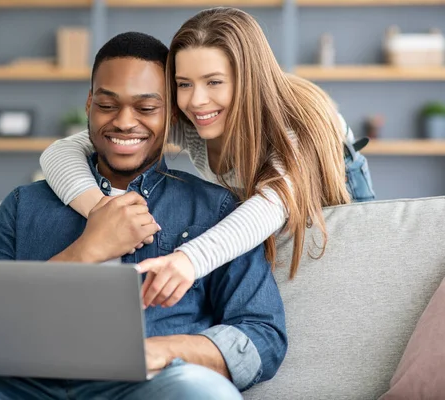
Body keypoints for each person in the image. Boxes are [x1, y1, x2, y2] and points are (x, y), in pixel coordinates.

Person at [0, 32, 287, 400]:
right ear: (88, 104)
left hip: (147, 385)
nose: (123, 122)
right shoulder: (26, 205)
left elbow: (263, 336)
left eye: (146, 108)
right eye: (107, 104)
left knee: (204, 392)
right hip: (18, 386)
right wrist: (87, 250)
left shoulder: (217, 210)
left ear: (171, 114)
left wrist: (162, 350)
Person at [39, 7, 376, 309]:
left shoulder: (294, 125)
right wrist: (102, 211)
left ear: (248, 79)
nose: (196, 101)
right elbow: (61, 151)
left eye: (214, 82)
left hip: (330, 189)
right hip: (262, 213)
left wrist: (188, 259)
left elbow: (272, 204)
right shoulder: (191, 123)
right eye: (184, 84)